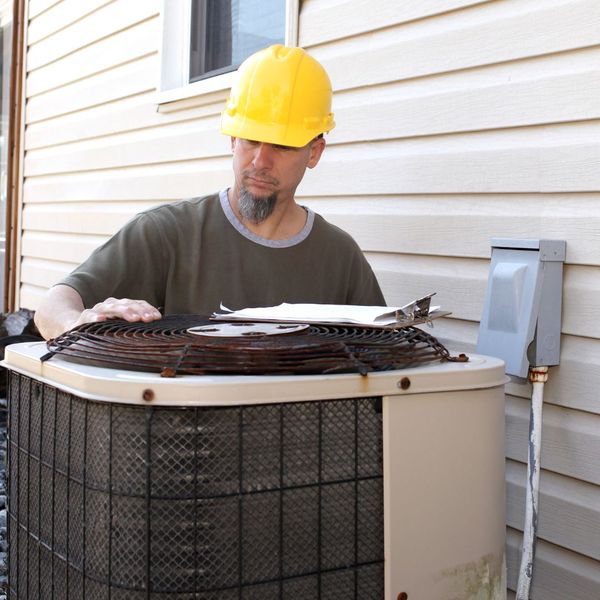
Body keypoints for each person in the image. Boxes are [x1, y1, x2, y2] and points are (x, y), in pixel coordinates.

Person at [34, 45, 385, 340]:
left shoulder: (340, 258)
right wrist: (76, 324)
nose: (260, 161)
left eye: (282, 145)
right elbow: (51, 308)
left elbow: (386, 353)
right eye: (250, 140)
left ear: (314, 153)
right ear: (233, 139)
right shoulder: (167, 234)